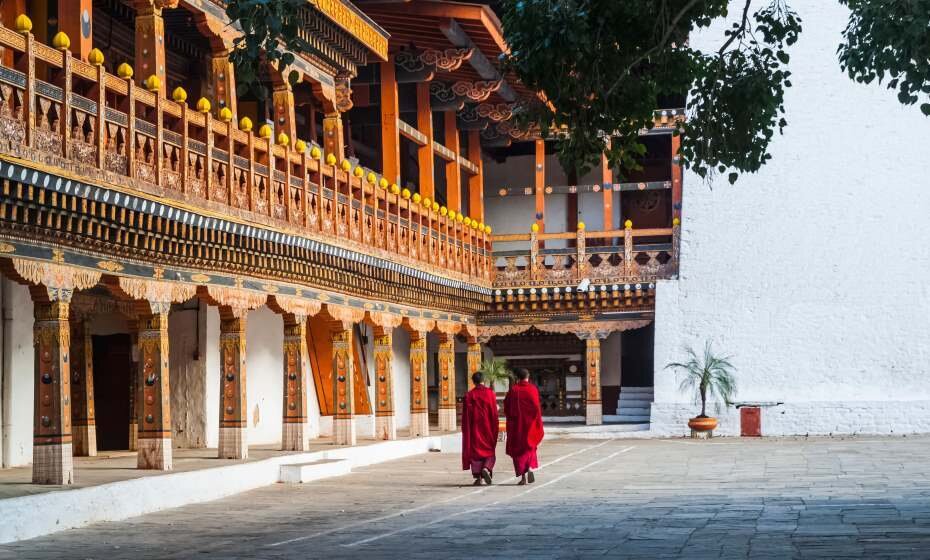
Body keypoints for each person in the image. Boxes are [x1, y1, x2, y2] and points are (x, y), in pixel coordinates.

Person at [504, 368, 544, 485]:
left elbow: (507, 407)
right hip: (530, 425)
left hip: (516, 426)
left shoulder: (513, 390)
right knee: (530, 447)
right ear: (528, 376)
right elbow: (537, 408)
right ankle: (530, 467)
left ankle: (523, 477)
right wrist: (537, 423)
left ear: (517, 377)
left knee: (518, 450)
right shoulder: (533, 389)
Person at [461, 371, 500, 485]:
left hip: (474, 430)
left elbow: (466, 417)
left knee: (476, 454)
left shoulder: (469, 395)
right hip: (488, 428)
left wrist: (466, 430)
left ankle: (479, 478)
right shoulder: (490, 394)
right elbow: (494, 413)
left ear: (473, 381)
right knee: (489, 451)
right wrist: (495, 428)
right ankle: (486, 468)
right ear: (484, 380)